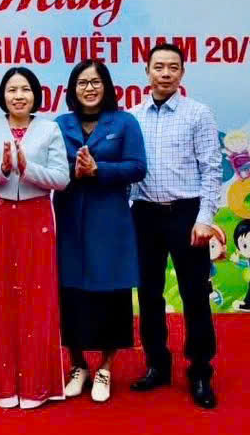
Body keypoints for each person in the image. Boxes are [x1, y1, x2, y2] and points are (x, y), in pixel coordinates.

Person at [0, 67, 69, 409]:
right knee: (1, 298)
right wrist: (3, 169)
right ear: (3, 96)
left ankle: (37, 385)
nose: (19, 96)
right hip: (0, 216)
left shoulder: (49, 129)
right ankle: (4, 384)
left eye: (25, 89)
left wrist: (27, 169)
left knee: (37, 298)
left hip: (37, 216)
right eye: (12, 90)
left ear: (35, 95)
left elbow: (61, 179)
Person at [130, 43, 223, 409]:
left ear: (182, 72)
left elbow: (212, 169)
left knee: (195, 295)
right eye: (159, 67)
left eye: (173, 67)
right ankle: (157, 365)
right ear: (147, 72)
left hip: (187, 214)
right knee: (148, 294)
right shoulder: (133, 117)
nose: (165, 73)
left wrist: (205, 219)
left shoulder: (198, 114)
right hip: (144, 215)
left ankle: (200, 371)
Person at [53, 59, 147, 403]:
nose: (89, 88)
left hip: (110, 222)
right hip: (69, 220)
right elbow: (48, 166)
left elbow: (137, 167)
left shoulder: (124, 122)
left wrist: (99, 169)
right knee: (71, 293)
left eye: (95, 82)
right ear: (72, 89)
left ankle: (106, 367)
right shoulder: (60, 124)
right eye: (82, 83)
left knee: (111, 294)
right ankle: (77, 365)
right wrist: (73, 171)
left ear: (106, 86)